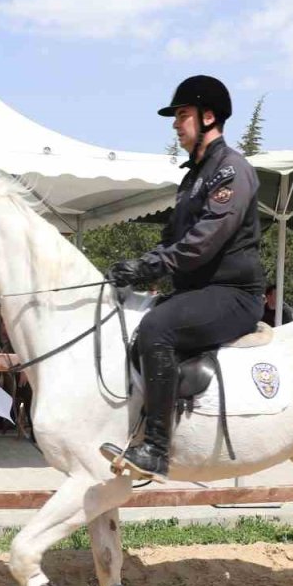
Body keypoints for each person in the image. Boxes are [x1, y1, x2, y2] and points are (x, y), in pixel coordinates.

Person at [98, 75, 263, 483]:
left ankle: (156, 448)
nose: (176, 124)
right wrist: (139, 266)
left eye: (183, 115)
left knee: (157, 329)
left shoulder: (231, 171)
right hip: (197, 290)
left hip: (232, 293)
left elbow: (203, 242)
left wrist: (151, 268)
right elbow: (174, 239)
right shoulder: (194, 177)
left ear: (209, 117)